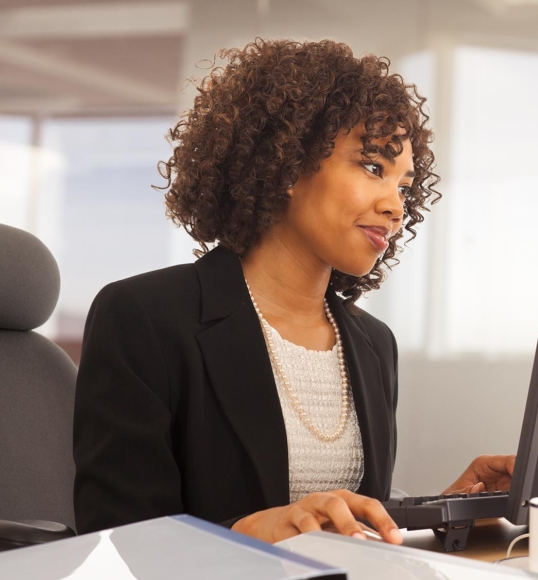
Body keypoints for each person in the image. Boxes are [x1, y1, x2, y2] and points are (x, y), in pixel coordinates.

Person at [72, 39, 514, 545]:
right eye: (373, 167)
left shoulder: (373, 345)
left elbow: (349, 532)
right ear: (286, 163)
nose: (396, 206)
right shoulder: (144, 318)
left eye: (405, 186)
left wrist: (447, 512)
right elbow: (113, 542)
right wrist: (246, 535)